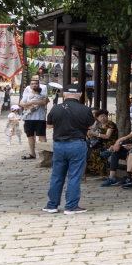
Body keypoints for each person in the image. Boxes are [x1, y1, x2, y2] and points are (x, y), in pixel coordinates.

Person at [42, 84, 96, 215]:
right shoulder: (84, 109)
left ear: (64, 94)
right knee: (74, 176)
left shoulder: (56, 108)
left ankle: (52, 205)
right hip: (77, 144)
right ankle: (71, 206)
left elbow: (49, 126)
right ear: (81, 95)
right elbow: (92, 126)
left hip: (59, 145)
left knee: (57, 176)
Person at [18, 79, 49, 159]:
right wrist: (27, 105)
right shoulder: (27, 94)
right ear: (30, 85)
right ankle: (32, 153)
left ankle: (44, 154)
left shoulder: (43, 93)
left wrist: (31, 103)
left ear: (38, 85)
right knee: (30, 136)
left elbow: (44, 102)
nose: (34, 85)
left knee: (41, 135)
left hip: (40, 118)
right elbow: (21, 103)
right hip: (29, 118)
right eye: (32, 84)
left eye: (35, 84)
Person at [85, 109, 117, 177]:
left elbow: (107, 136)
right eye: (101, 116)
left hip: (110, 144)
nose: (103, 118)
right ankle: (92, 171)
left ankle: (101, 172)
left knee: (97, 151)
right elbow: (94, 135)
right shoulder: (100, 126)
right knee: (90, 151)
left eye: (104, 116)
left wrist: (95, 134)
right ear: (97, 118)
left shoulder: (110, 124)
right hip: (100, 143)